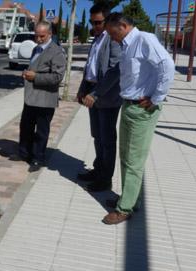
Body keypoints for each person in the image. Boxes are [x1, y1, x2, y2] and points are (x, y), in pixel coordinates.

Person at [102, 12, 175, 225]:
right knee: (125, 156)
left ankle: (125, 209)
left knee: (134, 160)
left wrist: (157, 97)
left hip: (142, 109)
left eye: (111, 32)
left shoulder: (144, 40)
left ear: (123, 26)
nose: (111, 37)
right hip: (129, 106)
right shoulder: (127, 45)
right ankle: (130, 199)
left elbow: (167, 66)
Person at [76, 3, 122, 192]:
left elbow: (114, 71)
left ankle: (105, 179)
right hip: (92, 92)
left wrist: (95, 94)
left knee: (107, 139)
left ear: (107, 20)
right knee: (97, 136)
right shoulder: (96, 39)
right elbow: (90, 68)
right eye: (92, 22)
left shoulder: (112, 40)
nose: (94, 26)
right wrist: (82, 89)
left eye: (98, 23)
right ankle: (98, 169)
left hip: (107, 96)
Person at [10, 21, 66, 172]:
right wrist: (27, 73)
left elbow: (57, 77)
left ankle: (38, 158)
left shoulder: (56, 51)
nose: (38, 39)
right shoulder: (36, 49)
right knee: (26, 126)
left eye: (42, 36)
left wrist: (35, 77)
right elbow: (34, 68)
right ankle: (24, 153)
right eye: (36, 36)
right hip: (31, 97)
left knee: (41, 131)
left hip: (45, 98)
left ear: (50, 34)